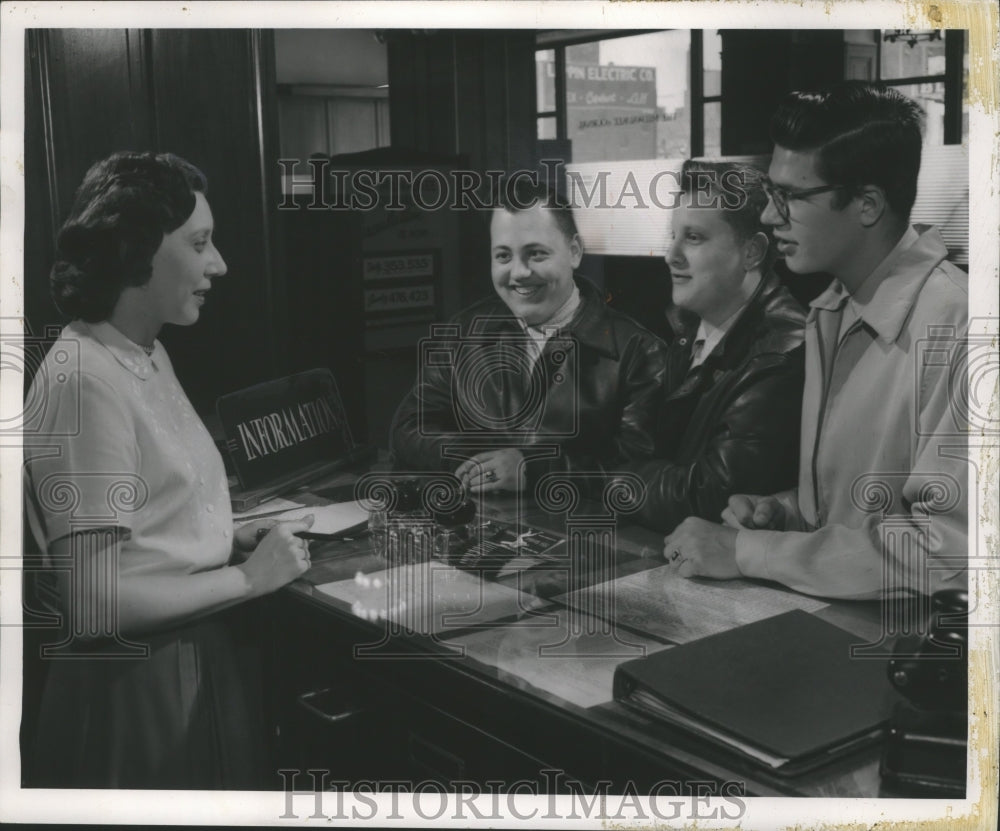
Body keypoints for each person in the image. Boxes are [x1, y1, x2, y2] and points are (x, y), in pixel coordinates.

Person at [22, 151, 314, 788]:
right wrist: (249, 579)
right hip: (137, 690)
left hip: (187, 661)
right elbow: (93, 603)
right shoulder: (84, 379)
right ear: (136, 250)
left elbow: (145, 520)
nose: (219, 263)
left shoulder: (141, 352)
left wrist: (215, 534)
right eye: (200, 243)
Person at [662, 82, 968, 600]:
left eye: (791, 197)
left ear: (867, 203)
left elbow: (950, 555)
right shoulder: (831, 309)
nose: (767, 215)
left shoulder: (961, 327)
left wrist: (748, 551)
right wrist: (784, 512)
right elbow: (856, 517)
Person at [390, 179, 668, 495]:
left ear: (574, 252)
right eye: (503, 256)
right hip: (477, 531)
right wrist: (477, 462)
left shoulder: (640, 352)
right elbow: (409, 429)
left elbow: (643, 470)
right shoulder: (464, 332)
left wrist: (534, 471)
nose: (519, 272)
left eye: (536, 254)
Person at [626, 160, 805, 533]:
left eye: (693, 238)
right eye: (672, 235)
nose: (670, 255)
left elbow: (709, 497)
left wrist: (605, 477)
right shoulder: (687, 322)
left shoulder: (781, 353)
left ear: (752, 252)